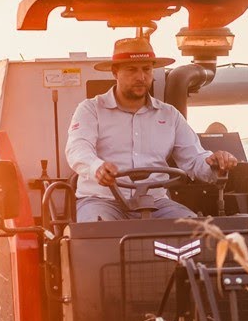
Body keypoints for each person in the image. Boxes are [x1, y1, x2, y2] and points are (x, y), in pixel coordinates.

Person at [66, 36, 238, 221]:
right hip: (101, 200)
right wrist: (97, 167)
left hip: (155, 203)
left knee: (195, 230)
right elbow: (77, 149)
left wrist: (214, 164)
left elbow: (195, 159)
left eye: (146, 69)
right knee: (95, 230)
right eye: (132, 69)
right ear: (115, 72)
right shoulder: (90, 109)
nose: (141, 77)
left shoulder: (170, 115)